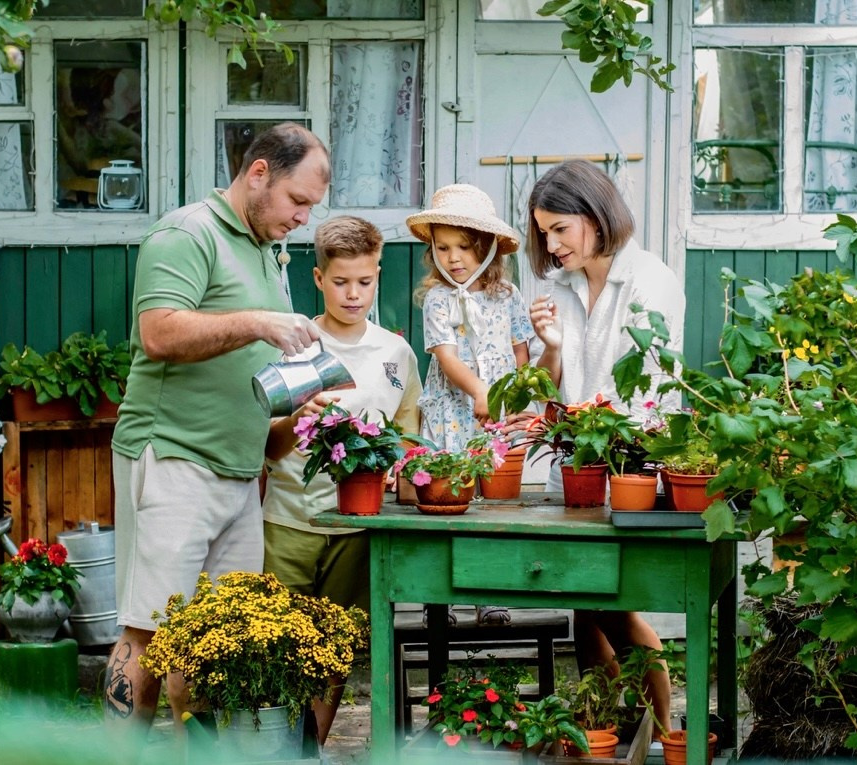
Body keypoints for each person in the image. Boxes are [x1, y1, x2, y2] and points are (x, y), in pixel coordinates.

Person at [104, 123, 329, 743]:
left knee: (218, 641)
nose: (304, 219)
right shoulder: (187, 233)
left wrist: (299, 404)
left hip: (237, 472)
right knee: (151, 631)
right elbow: (160, 333)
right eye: (297, 201)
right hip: (175, 459)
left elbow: (245, 371)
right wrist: (259, 322)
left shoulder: (265, 250)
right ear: (258, 173)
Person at [523, 159, 685, 733]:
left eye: (560, 229)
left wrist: (580, 429)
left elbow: (648, 393)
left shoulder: (649, 281)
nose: (551, 242)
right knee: (583, 610)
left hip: (629, 468)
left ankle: (664, 733)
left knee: (613, 608)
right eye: (543, 232)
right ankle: (608, 730)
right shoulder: (558, 288)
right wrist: (546, 346)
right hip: (573, 471)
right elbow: (546, 387)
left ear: (596, 216)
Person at [261, 215, 422, 745]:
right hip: (290, 522)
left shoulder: (396, 353)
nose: (353, 294)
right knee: (281, 650)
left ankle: (310, 752)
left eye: (365, 281)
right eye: (340, 282)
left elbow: (406, 441)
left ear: (379, 273)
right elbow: (268, 449)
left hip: (359, 532)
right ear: (317, 278)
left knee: (334, 653)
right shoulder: (295, 348)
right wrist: (298, 411)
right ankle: (276, 750)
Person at [407, 183, 535, 627]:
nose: (453, 257)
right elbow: (446, 355)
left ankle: (488, 592)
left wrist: (513, 395)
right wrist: (479, 391)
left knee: (490, 504)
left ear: (486, 249)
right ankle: (435, 599)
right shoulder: (438, 299)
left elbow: (521, 350)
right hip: (453, 413)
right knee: (445, 497)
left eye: (463, 246)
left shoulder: (508, 295)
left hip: (494, 418)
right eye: (442, 247)